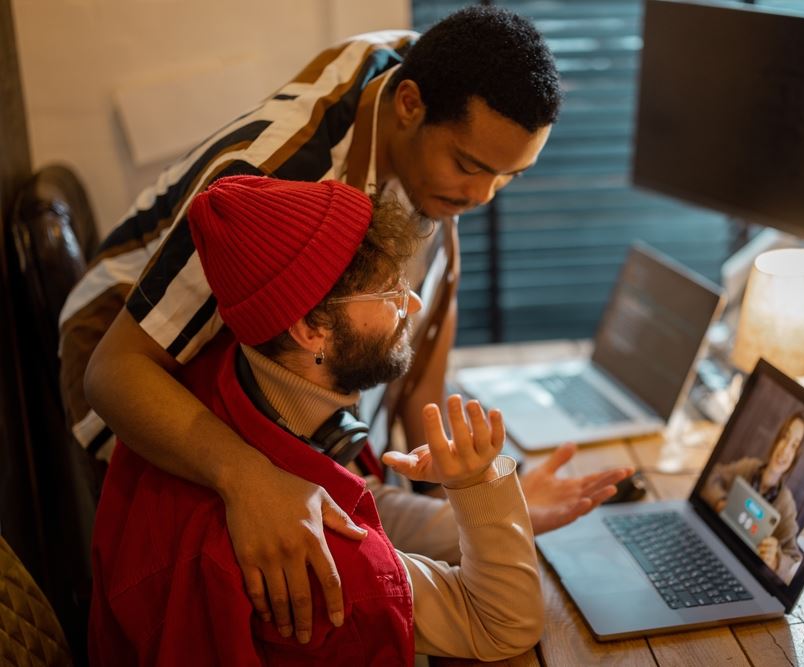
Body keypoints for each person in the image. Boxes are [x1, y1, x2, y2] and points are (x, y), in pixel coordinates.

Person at [60, 6, 631, 644]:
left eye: (511, 175)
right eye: (471, 167)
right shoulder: (277, 177)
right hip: (133, 361)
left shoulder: (436, 90)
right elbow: (111, 373)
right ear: (409, 107)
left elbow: (422, 350)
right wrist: (248, 478)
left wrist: (479, 507)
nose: (485, 195)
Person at [90, 175, 544, 664]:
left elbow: (359, 497)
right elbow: (503, 625)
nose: (410, 305)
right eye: (389, 293)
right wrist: (477, 485)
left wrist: (507, 514)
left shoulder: (200, 390)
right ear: (311, 328)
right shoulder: (313, 552)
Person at [700, 413, 804, 582]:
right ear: (777, 438)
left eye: (794, 446)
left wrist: (776, 560)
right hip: (715, 545)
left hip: (745, 575)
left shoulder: (786, 505)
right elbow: (713, 476)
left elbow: (794, 559)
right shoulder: (748, 467)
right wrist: (720, 501)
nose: (785, 450)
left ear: (796, 456)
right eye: (785, 437)